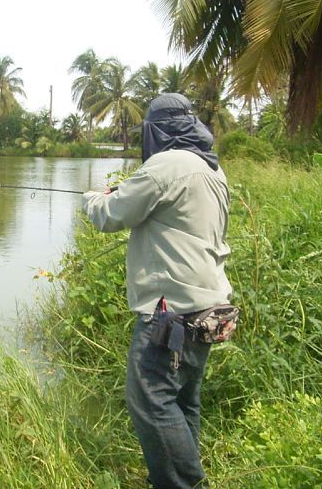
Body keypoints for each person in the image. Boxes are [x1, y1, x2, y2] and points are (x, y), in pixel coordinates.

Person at [81, 93, 232, 489]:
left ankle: (182, 483)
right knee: (183, 400)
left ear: (158, 130)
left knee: (150, 399)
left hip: (172, 312)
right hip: (209, 307)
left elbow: (112, 215)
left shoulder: (166, 165)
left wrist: (92, 199)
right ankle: (173, 478)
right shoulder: (212, 170)